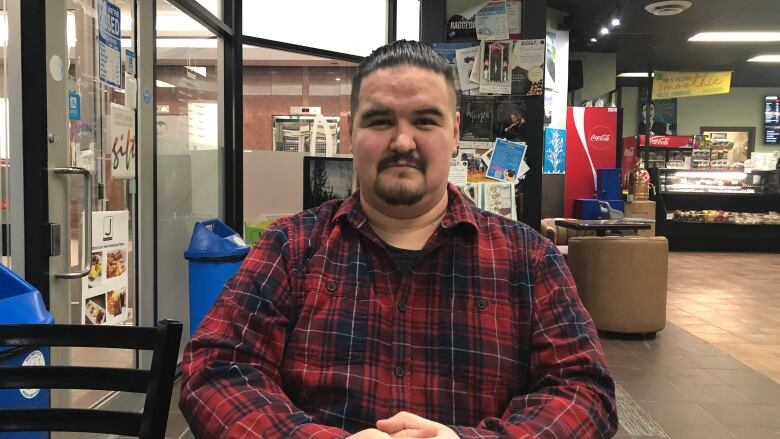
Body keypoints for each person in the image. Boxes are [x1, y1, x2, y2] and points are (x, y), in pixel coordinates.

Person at [179, 40, 618, 439]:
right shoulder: (290, 247)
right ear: (352, 134)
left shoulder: (529, 258)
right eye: (380, 120)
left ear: (455, 133)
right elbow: (214, 370)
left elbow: (584, 391)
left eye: (425, 120)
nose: (402, 141)